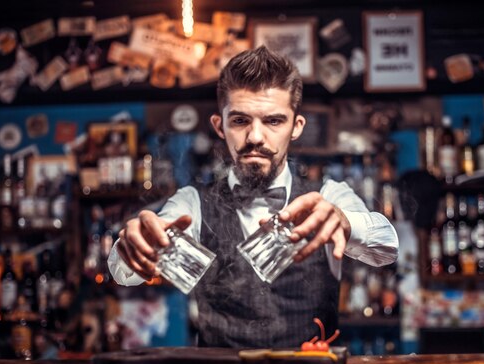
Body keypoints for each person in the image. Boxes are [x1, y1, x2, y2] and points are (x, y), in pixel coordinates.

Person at [108, 46, 398, 348]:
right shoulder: (191, 202)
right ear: (220, 126)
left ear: (296, 127)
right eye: (240, 121)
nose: (255, 137)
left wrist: (346, 222)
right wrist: (133, 246)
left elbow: (387, 249)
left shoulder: (329, 195)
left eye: (273, 121)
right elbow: (123, 273)